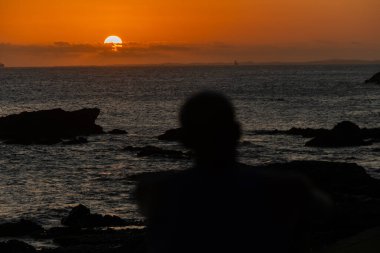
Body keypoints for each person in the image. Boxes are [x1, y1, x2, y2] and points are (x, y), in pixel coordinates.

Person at [136, 91, 330, 253]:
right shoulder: (285, 188)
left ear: (184, 139)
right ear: (236, 131)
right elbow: (324, 210)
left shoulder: (155, 193)